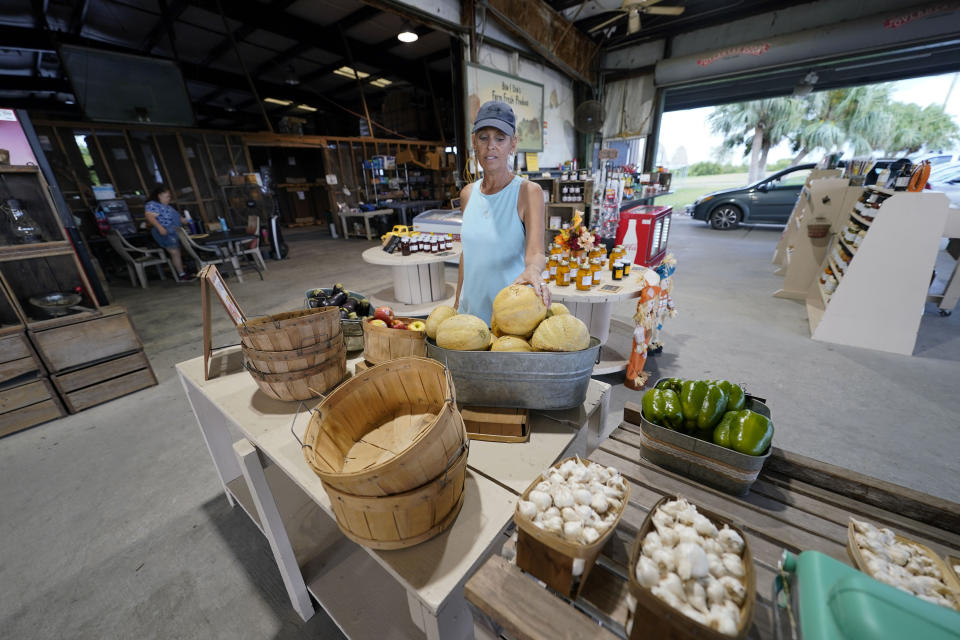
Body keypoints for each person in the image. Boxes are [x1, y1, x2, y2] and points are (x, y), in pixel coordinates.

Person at [454, 101, 551, 325]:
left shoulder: (528, 192)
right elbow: (466, 255)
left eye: (500, 138)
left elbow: (536, 251)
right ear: (474, 142)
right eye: (483, 137)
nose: (491, 146)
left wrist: (533, 269)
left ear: (513, 144)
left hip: (510, 321)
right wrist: (457, 303)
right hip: (468, 319)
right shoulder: (468, 194)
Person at [144, 185, 193, 281]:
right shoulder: (152, 205)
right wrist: (160, 227)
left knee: (180, 250)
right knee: (174, 252)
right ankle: (182, 275)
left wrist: (187, 220)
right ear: (159, 196)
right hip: (165, 232)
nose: (169, 198)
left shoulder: (168, 207)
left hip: (174, 232)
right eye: (167, 196)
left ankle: (185, 271)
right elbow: (149, 216)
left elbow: (180, 219)